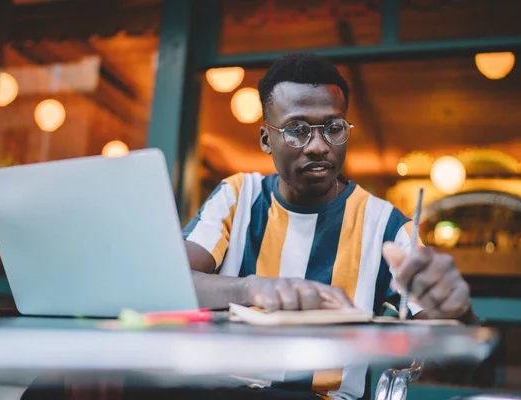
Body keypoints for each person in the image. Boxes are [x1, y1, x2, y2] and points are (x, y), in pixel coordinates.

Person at [182, 52, 477, 400]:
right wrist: (252, 289)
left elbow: (457, 363)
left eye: (333, 128)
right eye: (297, 130)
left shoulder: (388, 226)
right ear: (265, 139)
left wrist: (458, 316)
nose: (319, 146)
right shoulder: (237, 196)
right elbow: (171, 285)